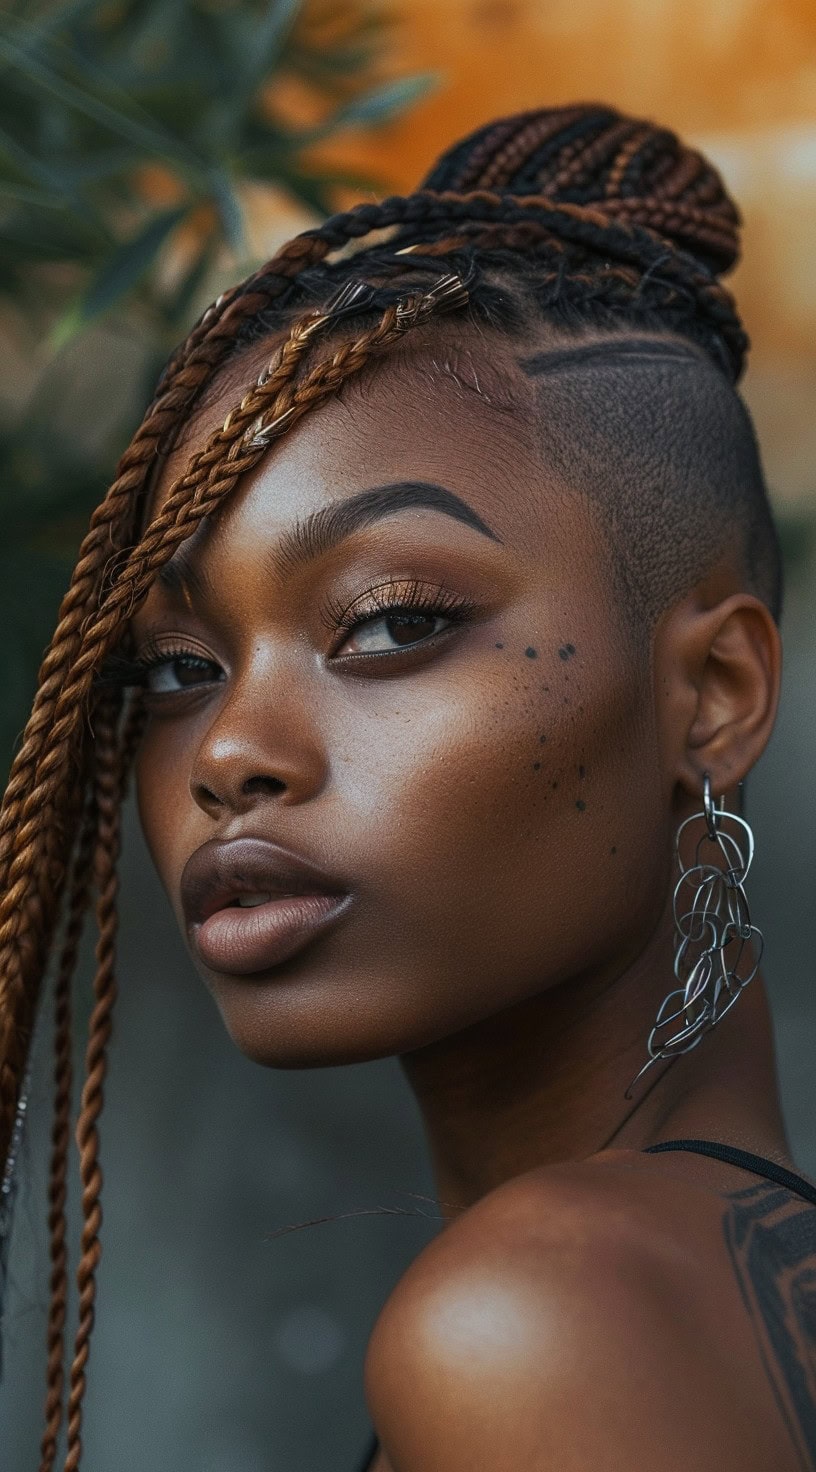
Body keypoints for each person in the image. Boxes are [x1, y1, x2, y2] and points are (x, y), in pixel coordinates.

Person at [0, 102, 813, 1472]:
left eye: (390, 620)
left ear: (715, 696)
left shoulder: (538, 1320)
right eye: (175, 668)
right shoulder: (715, 1293)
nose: (230, 750)